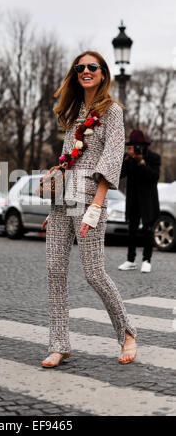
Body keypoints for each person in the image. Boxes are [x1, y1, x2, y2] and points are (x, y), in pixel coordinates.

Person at [40, 51, 137, 367]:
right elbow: (67, 160)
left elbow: (112, 158)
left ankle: (127, 333)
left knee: (94, 273)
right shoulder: (73, 113)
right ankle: (59, 344)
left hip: (89, 202)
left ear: (103, 72)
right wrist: (52, 207)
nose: (85, 71)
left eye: (91, 67)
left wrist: (96, 205)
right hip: (62, 203)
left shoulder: (112, 112)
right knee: (55, 271)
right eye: (79, 67)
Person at [118, 130, 161, 273]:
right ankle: (130, 260)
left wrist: (142, 162)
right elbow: (120, 176)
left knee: (148, 230)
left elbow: (154, 177)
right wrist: (126, 161)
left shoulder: (154, 158)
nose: (135, 149)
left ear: (143, 146)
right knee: (132, 230)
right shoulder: (128, 159)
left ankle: (146, 260)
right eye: (132, 146)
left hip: (148, 201)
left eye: (138, 146)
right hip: (133, 200)